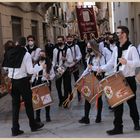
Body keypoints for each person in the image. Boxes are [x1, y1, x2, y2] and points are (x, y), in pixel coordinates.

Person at [98, 26, 140, 135]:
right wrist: (101, 68)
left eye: (118, 33)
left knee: (132, 104)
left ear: (124, 34)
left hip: (129, 79)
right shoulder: (116, 48)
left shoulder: (132, 48)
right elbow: (111, 63)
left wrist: (127, 62)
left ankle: (137, 123)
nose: (116, 35)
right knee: (117, 105)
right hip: (118, 79)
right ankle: (118, 127)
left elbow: (138, 63)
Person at [2, 37, 44, 136]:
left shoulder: (9, 52)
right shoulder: (26, 54)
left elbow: (5, 67)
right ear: (25, 44)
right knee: (28, 103)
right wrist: (41, 66)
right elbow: (30, 71)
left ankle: (15, 128)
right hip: (23, 81)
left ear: (16, 43)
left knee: (15, 105)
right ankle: (33, 125)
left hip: (13, 81)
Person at [78, 39, 106, 124]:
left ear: (94, 47)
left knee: (98, 97)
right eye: (87, 47)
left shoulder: (100, 57)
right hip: (90, 77)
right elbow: (87, 68)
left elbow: (103, 68)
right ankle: (86, 117)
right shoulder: (89, 57)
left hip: (98, 77)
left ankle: (99, 116)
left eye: (89, 47)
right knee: (87, 96)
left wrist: (92, 68)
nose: (88, 49)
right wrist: (81, 77)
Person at [31, 50, 55, 122]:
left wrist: (49, 77)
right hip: (37, 82)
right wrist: (32, 80)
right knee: (37, 100)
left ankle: (47, 116)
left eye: (43, 55)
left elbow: (53, 74)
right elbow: (34, 74)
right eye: (40, 55)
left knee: (46, 100)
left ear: (45, 56)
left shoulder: (49, 64)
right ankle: (38, 117)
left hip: (45, 82)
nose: (41, 56)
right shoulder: (36, 65)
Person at [52, 36, 73, 107]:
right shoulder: (55, 50)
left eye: (60, 40)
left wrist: (66, 59)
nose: (59, 42)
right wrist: (53, 67)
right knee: (58, 86)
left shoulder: (68, 49)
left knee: (66, 86)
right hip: (58, 69)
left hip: (66, 68)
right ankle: (60, 99)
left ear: (63, 41)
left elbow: (71, 60)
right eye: (58, 40)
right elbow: (54, 60)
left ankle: (65, 101)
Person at [65, 35, 82, 102]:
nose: (69, 40)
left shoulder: (76, 46)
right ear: (66, 40)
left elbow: (79, 55)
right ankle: (70, 95)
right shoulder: (65, 47)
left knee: (77, 81)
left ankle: (79, 94)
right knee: (68, 82)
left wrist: (76, 59)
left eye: (70, 39)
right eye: (68, 39)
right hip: (68, 66)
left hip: (75, 65)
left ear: (72, 39)